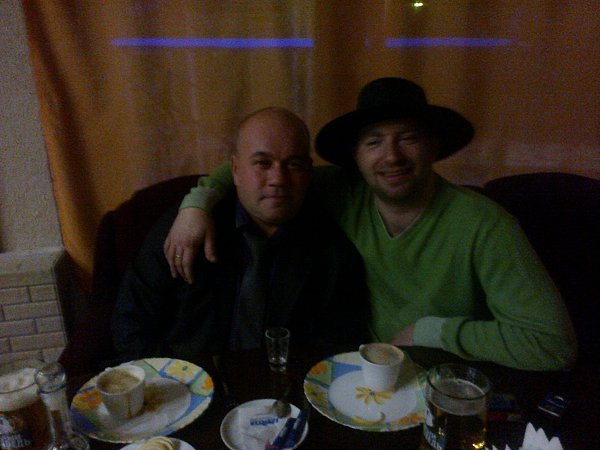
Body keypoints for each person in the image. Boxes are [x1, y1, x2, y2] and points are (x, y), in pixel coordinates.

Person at [163, 78, 578, 371]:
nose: (391, 156)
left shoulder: (486, 226)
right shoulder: (345, 191)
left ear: (433, 146)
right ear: (356, 157)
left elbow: (553, 344)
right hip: (363, 374)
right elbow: (259, 166)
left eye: (408, 137)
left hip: (445, 382)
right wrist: (197, 204)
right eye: (374, 141)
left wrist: (432, 332)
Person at [112, 107, 369, 362]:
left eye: (294, 164)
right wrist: (168, 381)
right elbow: (131, 324)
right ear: (235, 170)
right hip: (181, 380)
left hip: (286, 381)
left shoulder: (331, 246)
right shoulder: (185, 229)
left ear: (309, 172)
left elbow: (337, 346)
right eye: (262, 163)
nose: (278, 179)